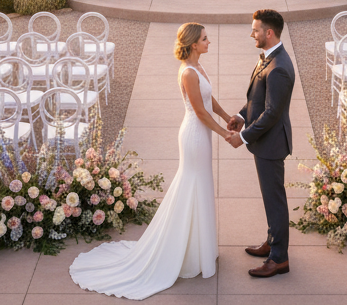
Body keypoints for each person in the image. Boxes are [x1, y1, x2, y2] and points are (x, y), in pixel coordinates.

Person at [68, 22, 231, 299]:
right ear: (193, 44)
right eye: (205, 39)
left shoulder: (199, 67)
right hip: (194, 135)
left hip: (202, 134)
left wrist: (227, 117)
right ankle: (186, 252)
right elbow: (201, 112)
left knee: (201, 185)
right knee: (191, 184)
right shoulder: (189, 72)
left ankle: (199, 248)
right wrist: (225, 133)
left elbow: (209, 99)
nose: (208, 42)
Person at [224, 8, 295, 278]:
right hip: (265, 141)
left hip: (272, 144)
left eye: (255, 30)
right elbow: (258, 98)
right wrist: (241, 116)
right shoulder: (268, 57)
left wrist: (242, 137)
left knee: (275, 200)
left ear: (269, 32)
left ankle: (279, 259)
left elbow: (272, 113)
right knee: (270, 198)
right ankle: (272, 242)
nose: (251, 33)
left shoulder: (278, 68)